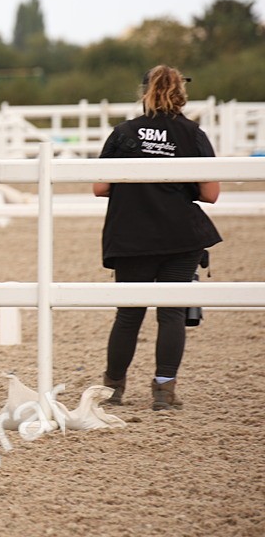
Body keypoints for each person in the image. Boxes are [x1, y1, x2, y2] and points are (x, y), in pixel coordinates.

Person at [94, 65, 221, 411]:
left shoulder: (123, 133)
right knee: (172, 313)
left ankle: (113, 388)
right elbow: (211, 193)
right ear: (181, 91)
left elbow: (99, 186)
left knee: (128, 315)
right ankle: (164, 390)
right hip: (179, 236)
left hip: (131, 234)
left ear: (144, 92)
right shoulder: (192, 133)